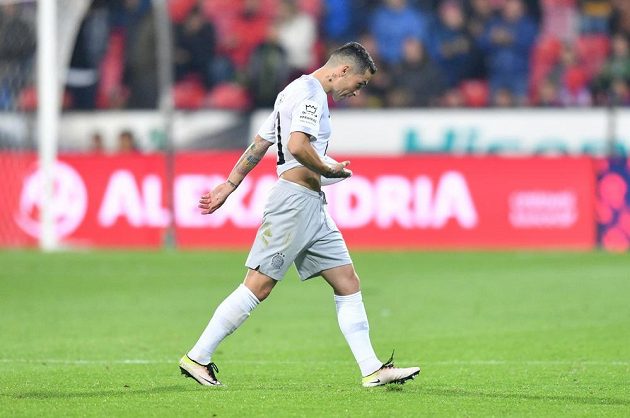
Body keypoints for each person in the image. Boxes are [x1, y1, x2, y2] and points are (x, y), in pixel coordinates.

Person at [179, 42, 421, 388]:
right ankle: (197, 357)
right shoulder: (311, 95)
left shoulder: (291, 91)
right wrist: (329, 168)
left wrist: (230, 184)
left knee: (347, 281)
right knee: (258, 287)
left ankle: (372, 369)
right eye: (360, 83)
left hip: (312, 206)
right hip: (293, 204)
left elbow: (260, 143)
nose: (357, 92)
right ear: (343, 70)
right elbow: (296, 146)